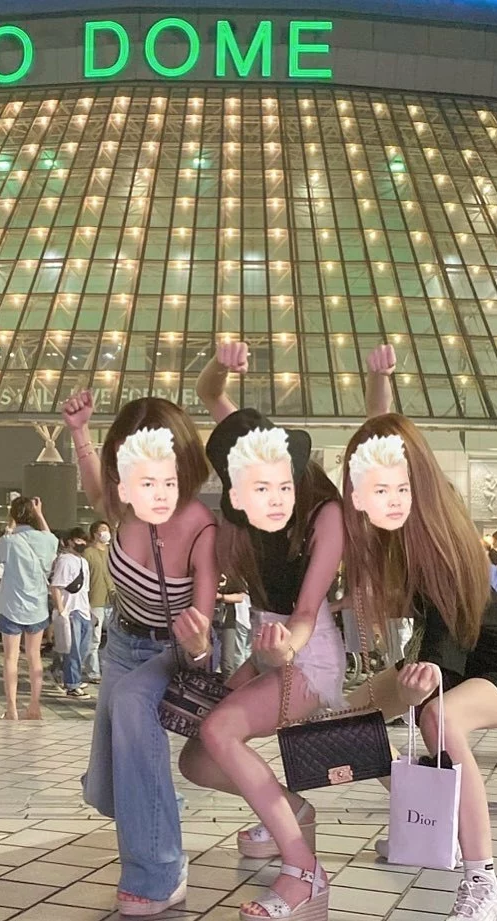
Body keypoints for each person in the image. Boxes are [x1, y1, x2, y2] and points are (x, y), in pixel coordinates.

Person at [343, 414, 497, 921]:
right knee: (347, 721)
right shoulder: (393, 522)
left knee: (439, 720)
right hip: (442, 657)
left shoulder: (436, 526)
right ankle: (433, 824)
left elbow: (450, 611)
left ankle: (484, 882)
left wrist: (432, 668)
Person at [178, 340, 346, 921]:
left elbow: (307, 613)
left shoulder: (325, 513)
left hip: (309, 654)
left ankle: (304, 870)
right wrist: (222, 365)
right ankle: (290, 813)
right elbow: (208, 392)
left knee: (221, 730)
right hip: (268, 645)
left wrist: (283, 650)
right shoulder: (243, 448)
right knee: (196, 758)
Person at [63, 391, 217, 917]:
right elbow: (94, 490)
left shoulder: (200, 525)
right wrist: (78, 431)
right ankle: (156, 824)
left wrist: (198, 643)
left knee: (131, 702)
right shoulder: (125, 503)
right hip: (122, 643)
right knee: (108, 789)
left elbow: (202, 630)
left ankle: (159, 871)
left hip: (170, 652)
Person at [0, 496, 57, 721]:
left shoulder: (8, 541)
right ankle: (34, 706)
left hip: (11, 604)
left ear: (12, 515)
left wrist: (10, 526)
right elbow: (50, 538)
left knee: (10, 658)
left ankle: (11, 708)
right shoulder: (47, 539)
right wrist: (40, 515)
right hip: (37, 605)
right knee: (34, 657)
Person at [51, 528, 93, 700]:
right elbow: (55, 587)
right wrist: (61, 611)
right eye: (78, 540)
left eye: (84, 540)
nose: (82, 543)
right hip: (70, 610)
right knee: (73, 650)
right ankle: (72, 684)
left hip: (83, 610)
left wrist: (89, 610)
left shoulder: (83, 562)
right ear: (69, 541)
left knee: (83, 649)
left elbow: (85, 589)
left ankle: (60, 671)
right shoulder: (65, 561)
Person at [84, 519, 114, 684]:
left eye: (107, 529)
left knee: (113, 639)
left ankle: (107, 669)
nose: (106, 533)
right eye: (103, 529)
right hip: (94, 600)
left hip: (113, 601)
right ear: (95, 533)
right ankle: (93, 672)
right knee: (94, 639)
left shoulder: (112, 552)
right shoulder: (88, 553)